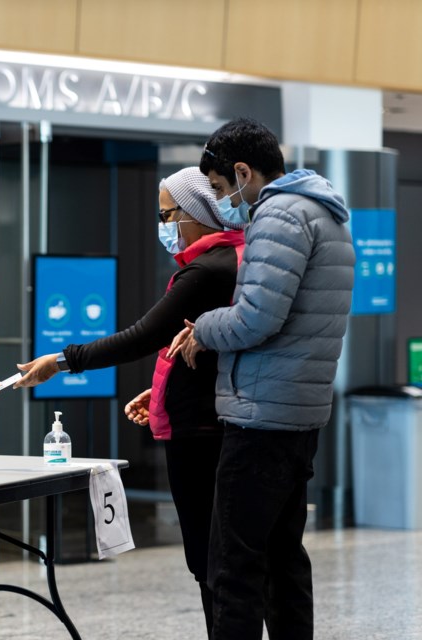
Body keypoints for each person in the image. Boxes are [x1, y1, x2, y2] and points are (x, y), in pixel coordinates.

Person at [15, 167, 245, 637]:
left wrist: (61, 361)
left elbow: (143, 336)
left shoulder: (206, 271)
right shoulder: (232, 261)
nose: (163, 225)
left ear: (196, 212)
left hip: (202, 434)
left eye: (167, 214)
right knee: (222, 561)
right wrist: (163, 388)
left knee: (211, 563)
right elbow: (206, 347)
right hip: (214, 422)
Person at [169, 117, 355, 640]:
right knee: (283, 558)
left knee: (235, 567)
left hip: (261, 417)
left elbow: (256, 318)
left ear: (244, 172)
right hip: (299, 414)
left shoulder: (278, 216)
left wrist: (203, 328)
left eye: (221, 188)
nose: (222, 200)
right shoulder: (326, 214)